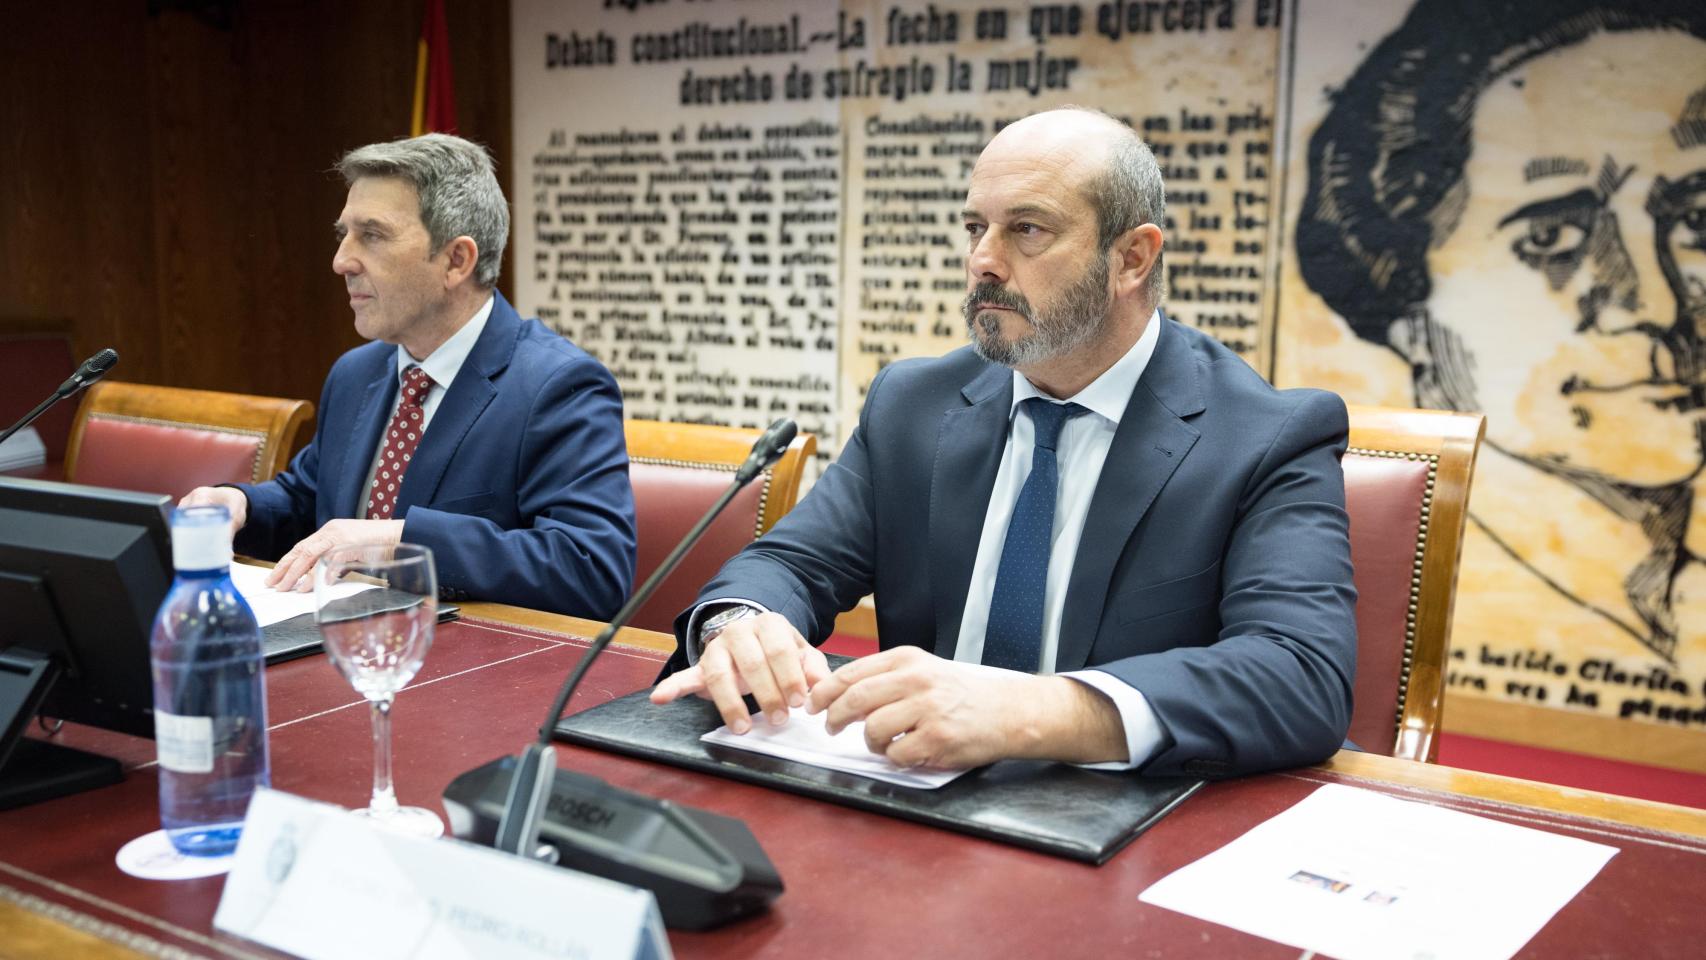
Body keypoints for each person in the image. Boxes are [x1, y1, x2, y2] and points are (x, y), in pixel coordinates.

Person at [652, 108, 1357, 779]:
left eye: (1026, 229)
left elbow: (1300, 674)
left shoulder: (1267, 436)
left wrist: (1034, 710)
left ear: (1132, 259)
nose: (982, 262)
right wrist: (744, 624)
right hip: (916, 797)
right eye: (974, 228)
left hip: (1122, 826)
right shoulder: (914, 404)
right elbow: (792, 563)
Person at [1296, 1, 1706, 671]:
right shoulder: (1357, 602)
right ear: (1409, 308)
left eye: (1697, 220)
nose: (1655, 303)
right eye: (1552, 238)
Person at [183, 134, 635, 618]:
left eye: (372, 235)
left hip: (467, 672)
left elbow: (590, 568)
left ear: (456, 260)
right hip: (344, 648)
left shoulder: (557, 386)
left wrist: (397, 541)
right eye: (344, 234)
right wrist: (237, 505)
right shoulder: (357, 373)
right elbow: (310, 500)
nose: (341, 262)